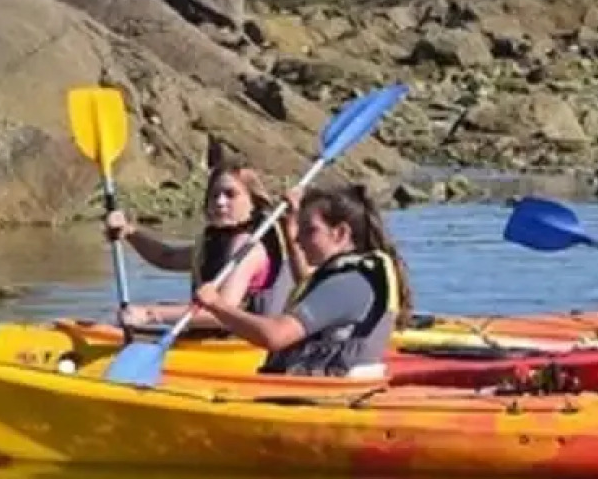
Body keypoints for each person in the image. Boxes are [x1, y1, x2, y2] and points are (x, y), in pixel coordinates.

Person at [193, 183, 414, 379]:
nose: (299, 239)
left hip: (320, 397)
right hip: (313, 391)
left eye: (309, 230)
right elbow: (307, 285)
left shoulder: (348, 284)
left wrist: (217, 305)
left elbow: (274, 336)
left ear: (340, 233)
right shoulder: (348, 278)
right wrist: (290, 226)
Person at [105, 151, 294, 332]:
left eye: (230, 194)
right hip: (213, 340)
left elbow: (222, 314)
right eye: (215, 195)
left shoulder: (248, 249)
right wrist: (128, 232)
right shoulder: (215, 241)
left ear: (254, 203)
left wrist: (150, 314)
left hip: (243, 346)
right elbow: (166, 257)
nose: (220, 202)